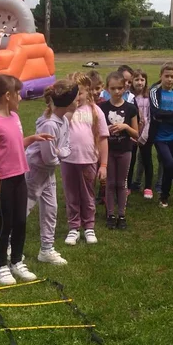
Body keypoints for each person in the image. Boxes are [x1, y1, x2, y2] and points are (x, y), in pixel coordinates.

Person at [0, 75, 52, 285]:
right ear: (8, 96)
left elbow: (12, 145)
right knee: (5, 224)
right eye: (18, 94)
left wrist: (32, 139)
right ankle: (1, 266)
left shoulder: (14, 117)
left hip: (18, 177)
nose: (21, 98)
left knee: (20, 222)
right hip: (1, 182)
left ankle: (16, 261)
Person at [25, 79, 78, 266]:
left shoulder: (63, 120)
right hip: (35, 171)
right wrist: (60, 155)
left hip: (47, 172)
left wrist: (60, 153)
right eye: (76, 97)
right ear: (68, 102)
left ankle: (46, 250)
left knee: (50, 209)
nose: (78, 99)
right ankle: (5, 245)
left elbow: (66, 147)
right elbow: (49, 158)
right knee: (24, 208)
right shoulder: (50, 124)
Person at [61, 73, 109, 245]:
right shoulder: (64, 111)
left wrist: (103, 164)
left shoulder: (95, 111)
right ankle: (74, 227)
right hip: (68, 161)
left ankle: (89, 226)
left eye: (80, 93)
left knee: (88, 195)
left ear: (88, 91)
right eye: (73, 94)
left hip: (89, 161)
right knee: (71, 195)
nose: (77, 97)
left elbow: (103, 138)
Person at [101, 71, 139, 229]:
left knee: (122, 183)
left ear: (125, 88)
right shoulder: (102, 108)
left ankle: (122, 215)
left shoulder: (131, 108)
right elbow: (97, 133)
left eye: (120, 88)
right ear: (107, 88)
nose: (117, 91)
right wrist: (106, 129)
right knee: (110, 183)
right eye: (113, 88)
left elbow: (136, 134)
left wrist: (125, 127)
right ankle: (110, 214)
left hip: (125, 150)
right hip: (108, 151)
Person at [149, 63, 173, 208]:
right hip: (159, 137)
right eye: (167, 76)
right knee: (170, 164)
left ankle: (164, 196)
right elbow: (155, 112)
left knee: (168, 167)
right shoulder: (155, 92)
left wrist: (167, 117)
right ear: (161, 76)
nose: (169, 79)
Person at [128, 69, 153, 198]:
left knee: (146, 159)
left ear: (146, 81)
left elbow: (150, 116)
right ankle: (128, 185)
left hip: (146, 133)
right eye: (136, 79)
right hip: (132, 133)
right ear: (132, 81)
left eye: (142, 80)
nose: (139, 82)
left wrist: (145, 134)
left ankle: (148, 187)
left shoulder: (149, 97)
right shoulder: (129, 97)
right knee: (130, 160)